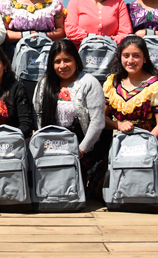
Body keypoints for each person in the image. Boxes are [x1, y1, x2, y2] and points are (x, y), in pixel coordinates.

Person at [33, 39, 106, 190]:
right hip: (51, 143)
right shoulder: (44, 83)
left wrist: (81, 150)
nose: (62, 66)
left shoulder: (89, 83)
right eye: (57, 61)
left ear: (76, 60)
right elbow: (39, 115)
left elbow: (97, 122)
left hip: (81, 145)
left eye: (67, 60)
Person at [102, 36, 158, 145]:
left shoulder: (156, 86)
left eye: (136, 56)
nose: (130, 60)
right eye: (126, 56)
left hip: (150, 144)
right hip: (122, 143)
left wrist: (143, 146)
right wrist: (118, 125)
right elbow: (101, 117)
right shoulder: (113, 83)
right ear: (120, 57)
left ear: (145, 58)